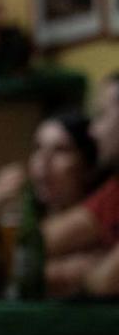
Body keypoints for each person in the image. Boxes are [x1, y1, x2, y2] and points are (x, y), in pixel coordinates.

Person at [0, 111, 101, 296]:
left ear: (88, 165)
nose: (44, 160)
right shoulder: (17, 218)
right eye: (38, 148)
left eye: (61, 150)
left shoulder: (100, 225)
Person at [40, 72, 119, 297]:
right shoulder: (114, 189)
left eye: (102, 115)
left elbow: (104, 282)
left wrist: (87, 269)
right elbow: (37, 244)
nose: (93, 131)